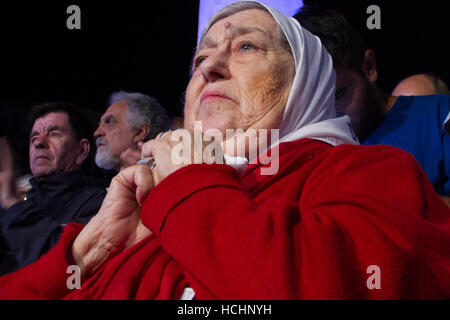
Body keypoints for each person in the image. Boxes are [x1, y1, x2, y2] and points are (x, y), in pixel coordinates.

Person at [1, 1, 449, 299]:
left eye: (246, 47)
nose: (210, 67)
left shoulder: (370, 170)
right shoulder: (142, 207)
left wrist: (190, 188)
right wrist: (89, 248)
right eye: (200, 59)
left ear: (304, 85)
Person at [294, 6, 450, 198]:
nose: (328, 115)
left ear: (369, 67)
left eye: (338, 95)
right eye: (315, 103)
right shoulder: (310, 152)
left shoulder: (440, 116)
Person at [0, 102, 106, 273]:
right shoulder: (19, 201)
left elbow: (62, 266)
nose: (39, 143)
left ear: (81, 151)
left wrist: (12, 202)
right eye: (34, 138)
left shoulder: (99, 205)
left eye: (54, 134)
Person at [94, 91, 170, 172]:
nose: (97, 133)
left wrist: (150, 170)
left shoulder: (171, 179)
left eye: (109, 122)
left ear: (140, 132)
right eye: (100, 124)